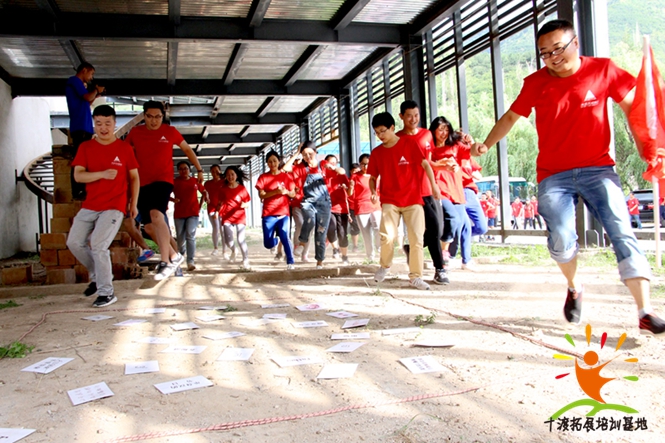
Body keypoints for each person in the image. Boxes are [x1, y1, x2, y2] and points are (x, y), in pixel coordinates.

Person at [472, 19, 664, 334]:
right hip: (553, 175)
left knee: (621, 229)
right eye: (545, 53)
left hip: (598, 170)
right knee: (561, 238)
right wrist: (486, 144)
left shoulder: (603, 70)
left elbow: (635, 109)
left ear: (575, 43)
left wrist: (649, 148)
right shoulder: (536, 82)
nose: (553, 57)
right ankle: (574, 287)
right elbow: (511, 117)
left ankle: (645, 311)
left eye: (558, 49)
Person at [66, 105, 139, 307]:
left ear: (114, 124)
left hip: (114, 205)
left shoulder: (124, 148)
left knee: (98, 244)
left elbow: (134, 177)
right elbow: (78, 176)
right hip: (90, 205)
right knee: (74, 242)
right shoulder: (86, 147)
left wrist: (133, 203)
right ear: (94, 124)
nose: (103, 128)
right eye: (98, 123)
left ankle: (107, 292)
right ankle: (97, 275)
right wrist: (101, 174)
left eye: (107, 123)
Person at [126, 101, 205, 281]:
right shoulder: (135, 133)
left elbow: (187, 149)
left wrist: (200, 170)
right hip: (142, 183)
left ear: (163, 117)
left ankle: (165, 262)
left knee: (156, 215)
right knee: (148, 227)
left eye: (158, 117)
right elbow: (124, 152)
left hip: (163, 181)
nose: (154, 121)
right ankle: (174, 256)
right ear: (144, 116)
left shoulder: (170, 131)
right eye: (150, 117)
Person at [369, 112, 440, 290]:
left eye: (383, 131)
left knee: (416, 238)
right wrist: (373, 191)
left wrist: (434, 186)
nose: (380, 135)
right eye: (377, 132)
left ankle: (416, 277)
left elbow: (425, 164)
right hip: (389, 200)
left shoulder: (409, 143)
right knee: (387, 236)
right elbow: (373, 177)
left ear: (392, 128)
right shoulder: (377, 153)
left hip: (413, 199)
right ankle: (385, 266)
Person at [396, 101, 448, 285]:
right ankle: (440, 269)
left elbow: (428, 162)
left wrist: (442, 167)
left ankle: (411, 249)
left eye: (416, 115)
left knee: (437, 229)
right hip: (410, 193)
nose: (413, 119)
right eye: (409, 116)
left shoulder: (426, 134)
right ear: (401, 116)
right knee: (429, 228)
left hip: (427, 189)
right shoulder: (397, 139)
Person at [429, 116, 467, 274]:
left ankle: (414, 248)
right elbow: (426, 163)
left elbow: (469, 152)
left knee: (457, 224)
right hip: (439, 188)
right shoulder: (429, 146)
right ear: (433, 131)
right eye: (440, 129)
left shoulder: (456, 145)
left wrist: (476, 145)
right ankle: (443, 253)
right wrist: (442, 165)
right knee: (452, 218)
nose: (444, 133)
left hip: (455, 188)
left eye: (446, 129)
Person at [288, 141, 333, 269]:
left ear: (315, 152)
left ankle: (319, 261)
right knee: (309, 220)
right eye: (304, 154)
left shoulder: (322, 164)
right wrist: (297, 152)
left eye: (310, 153)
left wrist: (335, 168)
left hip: (324, 203)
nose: (307, 157)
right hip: (308, 201)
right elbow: (285, 168)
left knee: (321, 232)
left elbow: (336, 169)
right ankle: (302, 243)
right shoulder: (300, 168)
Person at [66, 62, 105, 200]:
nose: (91, 77)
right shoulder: (74, 81)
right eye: (91, 73)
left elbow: (87, 102)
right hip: (80, 126)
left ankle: (83, 188)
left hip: (84, 126)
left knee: (85, 159)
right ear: (84, 70)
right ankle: (78, 190)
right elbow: (87, 97)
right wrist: (96, 91)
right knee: (80, 159)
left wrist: (95, 94)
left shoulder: (78, 85)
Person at [256, 151, 296, 270]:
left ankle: (290, 262)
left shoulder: (286, 177)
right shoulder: (263, 177)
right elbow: (261, 195)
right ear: (267, 163)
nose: (272, 164)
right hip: (268, 214)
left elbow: (293, 193)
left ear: (279, 161)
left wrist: (286, 192)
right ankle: (275, 240)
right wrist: (276, 192)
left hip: (283, 213)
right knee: (268, 244)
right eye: (270, 162)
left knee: (285, 236)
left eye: (274, 161)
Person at [349, 154, 382, 261]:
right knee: (366, 233)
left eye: (368, 164)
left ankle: (380, 249)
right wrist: (350, 187)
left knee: (378, 227)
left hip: (375, 205)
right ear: (359, 164)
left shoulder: (376, 175)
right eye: (363, 164)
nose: (365, 167)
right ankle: (370, 256)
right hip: (361, 207)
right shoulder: (355, 176)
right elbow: (349, 193)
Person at [218, 166, 251, 269]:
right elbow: (219, 203)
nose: (230, 177)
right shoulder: (223, 189)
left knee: (241, 239)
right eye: (228, 175)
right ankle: (233, 250)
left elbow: (247, 203)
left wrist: (244, 205)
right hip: (227, 217)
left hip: (239, 217)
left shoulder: (242, 189)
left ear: (236, 176)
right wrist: (218, 209)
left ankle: (245, 259)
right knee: (228, 241)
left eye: (232, 174)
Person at [173, 161, 202, 271]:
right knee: (180, 239)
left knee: (190, 234)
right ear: (178, 171)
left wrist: (201, 204)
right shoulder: (175, 182)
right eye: (181, 169)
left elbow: (204, 192)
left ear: (190, 170)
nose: (183, 171)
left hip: (193, 213)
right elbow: (164, 194)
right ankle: (180, 256)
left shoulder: (195, 181)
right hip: (179, 214)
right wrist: (172, 199)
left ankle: (190, 260)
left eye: (185, 168)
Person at [324, 154, 351, 264]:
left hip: (341, 208)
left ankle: (345, 256)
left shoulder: (341, 174)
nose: (333, 165)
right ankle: (335, 248)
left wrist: (348, 187)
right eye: (331, 162)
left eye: (335, 162)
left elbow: (349, 191)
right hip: (328, 208)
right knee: (330, 228)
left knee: (342, 233)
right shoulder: (323, 174)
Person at [203, 165, 229, 258]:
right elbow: (204, 194)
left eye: (216, 171)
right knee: (216, 227)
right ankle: (216, 248)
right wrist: (204, 200)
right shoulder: (207, 183)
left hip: (222, 207)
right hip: (212, 207)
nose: (215, 173)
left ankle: (224, 250)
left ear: (220, 171)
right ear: (210, 172)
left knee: (223, 229)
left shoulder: (224, 182)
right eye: (213, 171)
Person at [347, 162, 362, 252]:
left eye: (357, 171)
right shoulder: (348, 181)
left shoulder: (363, 180)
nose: (355, 173)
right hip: (351, 207)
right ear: (350, 171)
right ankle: (355, 246)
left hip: (362, 206)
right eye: (354, 171)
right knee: (355, 226)